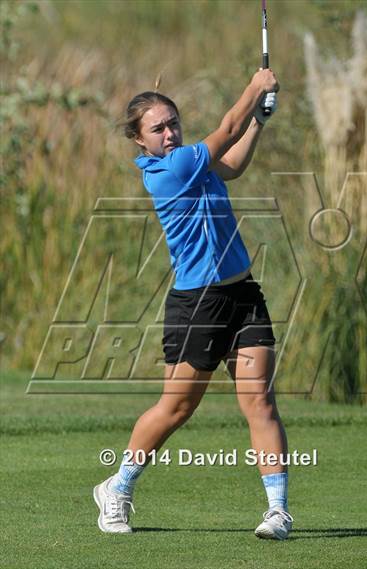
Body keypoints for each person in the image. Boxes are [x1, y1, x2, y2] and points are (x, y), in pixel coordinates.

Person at [93, 68, 293, 540]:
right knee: (177, 408)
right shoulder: (169, 171)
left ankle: (278, 511)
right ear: (140, 141)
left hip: (244, 296)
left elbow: (233, 162)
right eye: (158, 129)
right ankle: (117, 486)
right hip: (198, 304)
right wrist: (254, 87)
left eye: (173, 123)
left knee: (260, 401)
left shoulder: (191, 159)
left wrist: (258, 122)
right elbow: (224, 131)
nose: (169, 133)